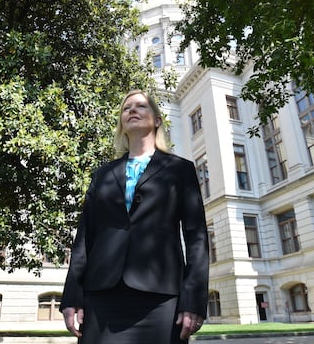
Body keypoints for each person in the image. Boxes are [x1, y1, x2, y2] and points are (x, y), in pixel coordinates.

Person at [60, 89, 209, 344]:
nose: (132, 110)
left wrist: (193, 299)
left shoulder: (180, 169)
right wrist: (72, 295)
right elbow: (84, 239)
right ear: (121, 123)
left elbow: (196, 237)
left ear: (157, 119)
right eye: (126, 108)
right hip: (101, 295)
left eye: (141, 106)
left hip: (161, 299)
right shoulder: (102, 174)